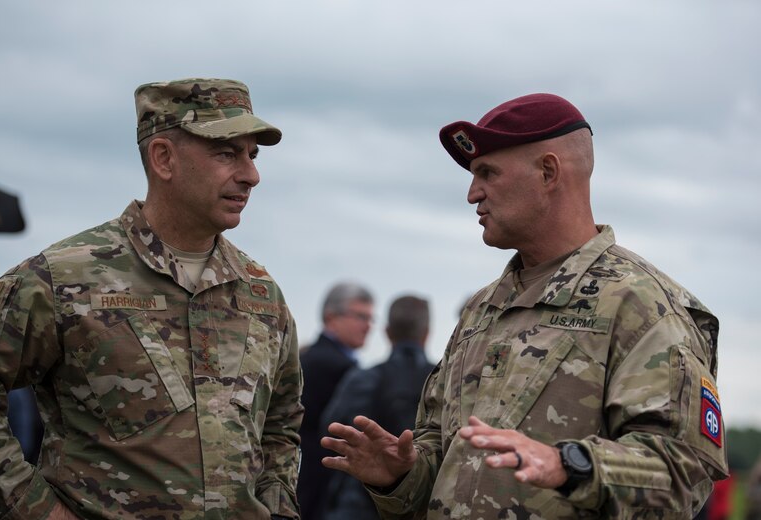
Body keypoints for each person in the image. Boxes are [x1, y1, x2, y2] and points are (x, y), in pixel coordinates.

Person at [321, 93, 729, 518]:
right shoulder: (484, 308)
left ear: (548, 172)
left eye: (487, 172)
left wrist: (569, 465)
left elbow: (682, 475)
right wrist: (401, 475)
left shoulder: (641, 304)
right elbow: (441, 460)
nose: (472, 193)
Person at [0, 78, 303, 520]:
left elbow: (282, 426)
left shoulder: (260, 294)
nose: (251, 175)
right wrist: (36, 509)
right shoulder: (64, 278)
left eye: (252, 155)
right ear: (163, 158)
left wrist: (278, 509)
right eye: (226, 153)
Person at [321, 295, 435, 520]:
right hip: (421, 508)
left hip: (355, 506)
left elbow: (329, 430)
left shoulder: (362, 378)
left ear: (387, 332)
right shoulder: (441, 382)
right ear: (427, 333)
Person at [297, 282, 374, 520]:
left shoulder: (307, 356)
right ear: (331, 317)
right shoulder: (335, 366)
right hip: (322, 487)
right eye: (360, 316)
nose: (368, 326)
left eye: (371, 318)